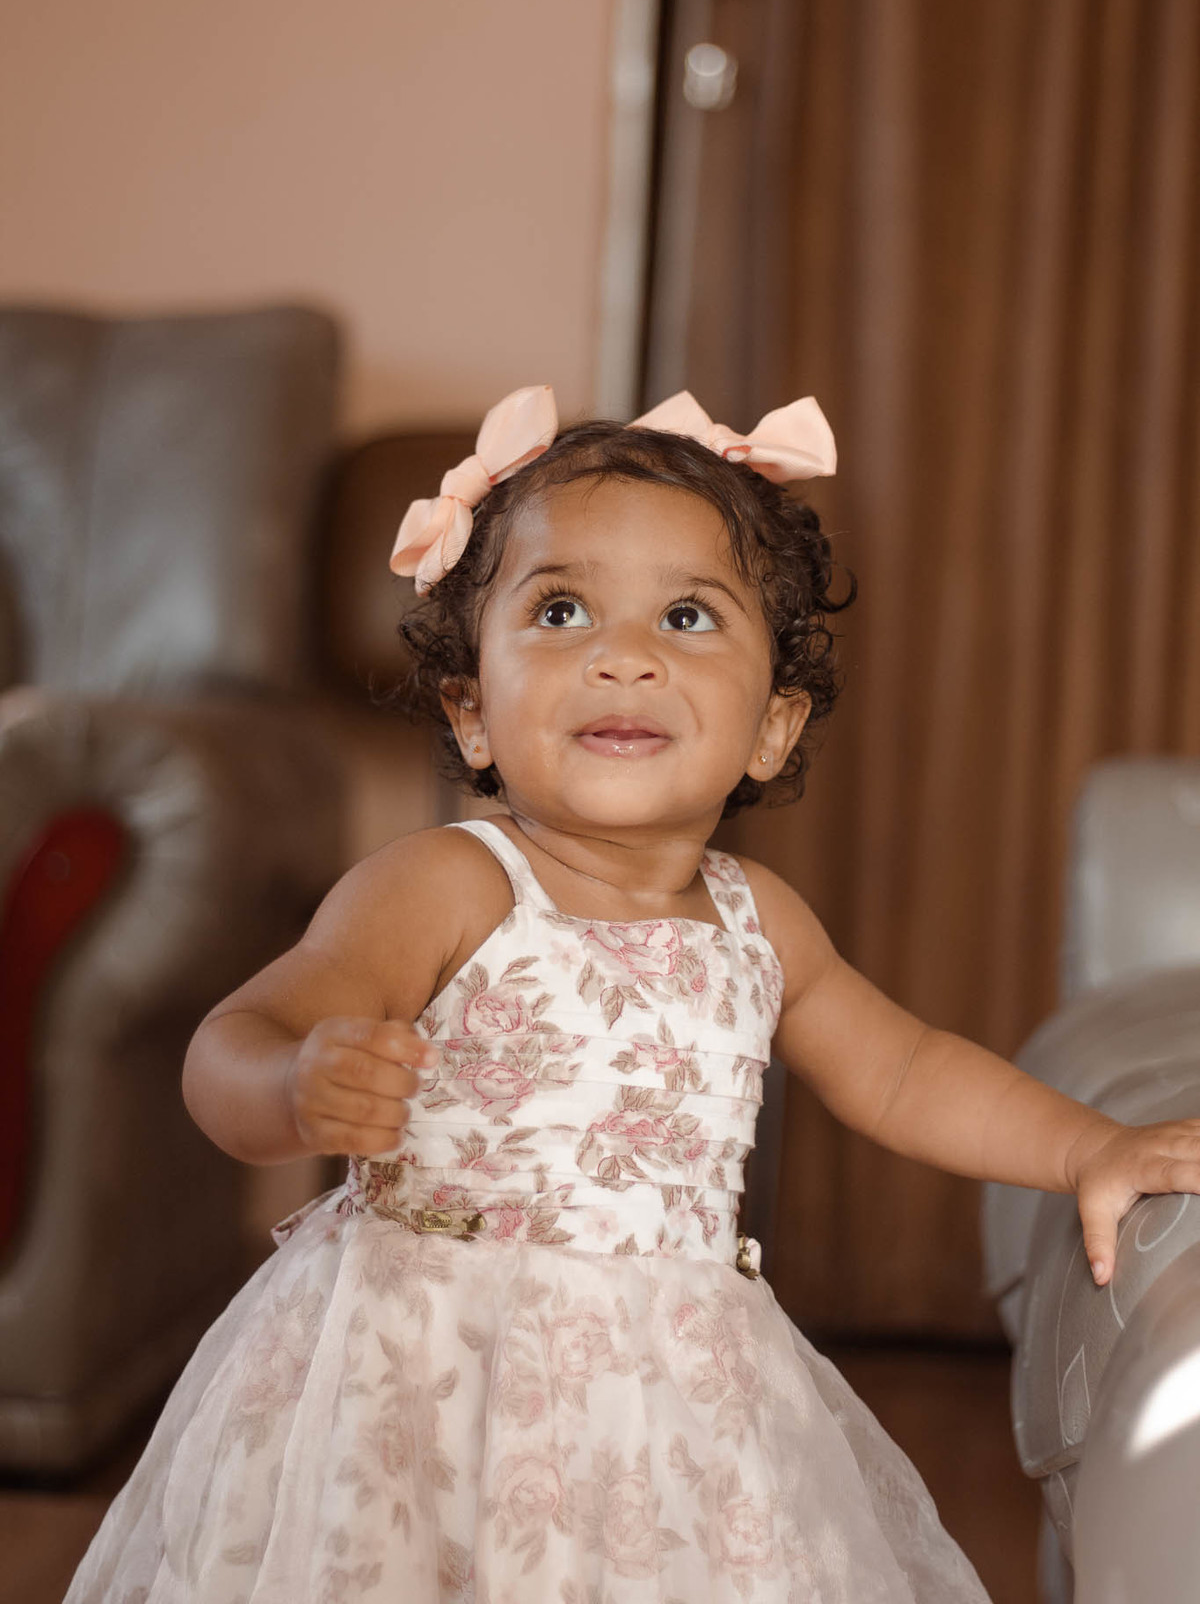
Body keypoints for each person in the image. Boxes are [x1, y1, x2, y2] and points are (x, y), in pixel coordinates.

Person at [66, 385, 1200, 1603]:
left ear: (771, 727)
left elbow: (908, 1071)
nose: (624, 652)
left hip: (675, 1398)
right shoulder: (449, 884)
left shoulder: (760, 922)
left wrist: (1089, 1149)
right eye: (560, 609)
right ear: (472, 708)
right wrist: (292, 1083)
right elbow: (234, 1039)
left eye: (687, 615)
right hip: (418, 1381)